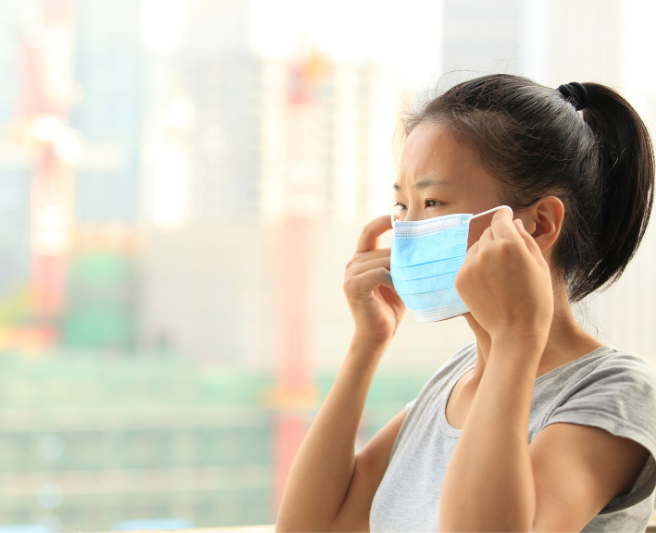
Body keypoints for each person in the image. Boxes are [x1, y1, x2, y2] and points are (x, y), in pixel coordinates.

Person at [274, 74, 656, 532]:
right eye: (401, 206)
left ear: (537, 225)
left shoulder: (619, 392)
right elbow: (311, 527)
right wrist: (367, 344)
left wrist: (517, 337)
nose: (408, 232)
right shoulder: (455, 380)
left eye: (433, 202)